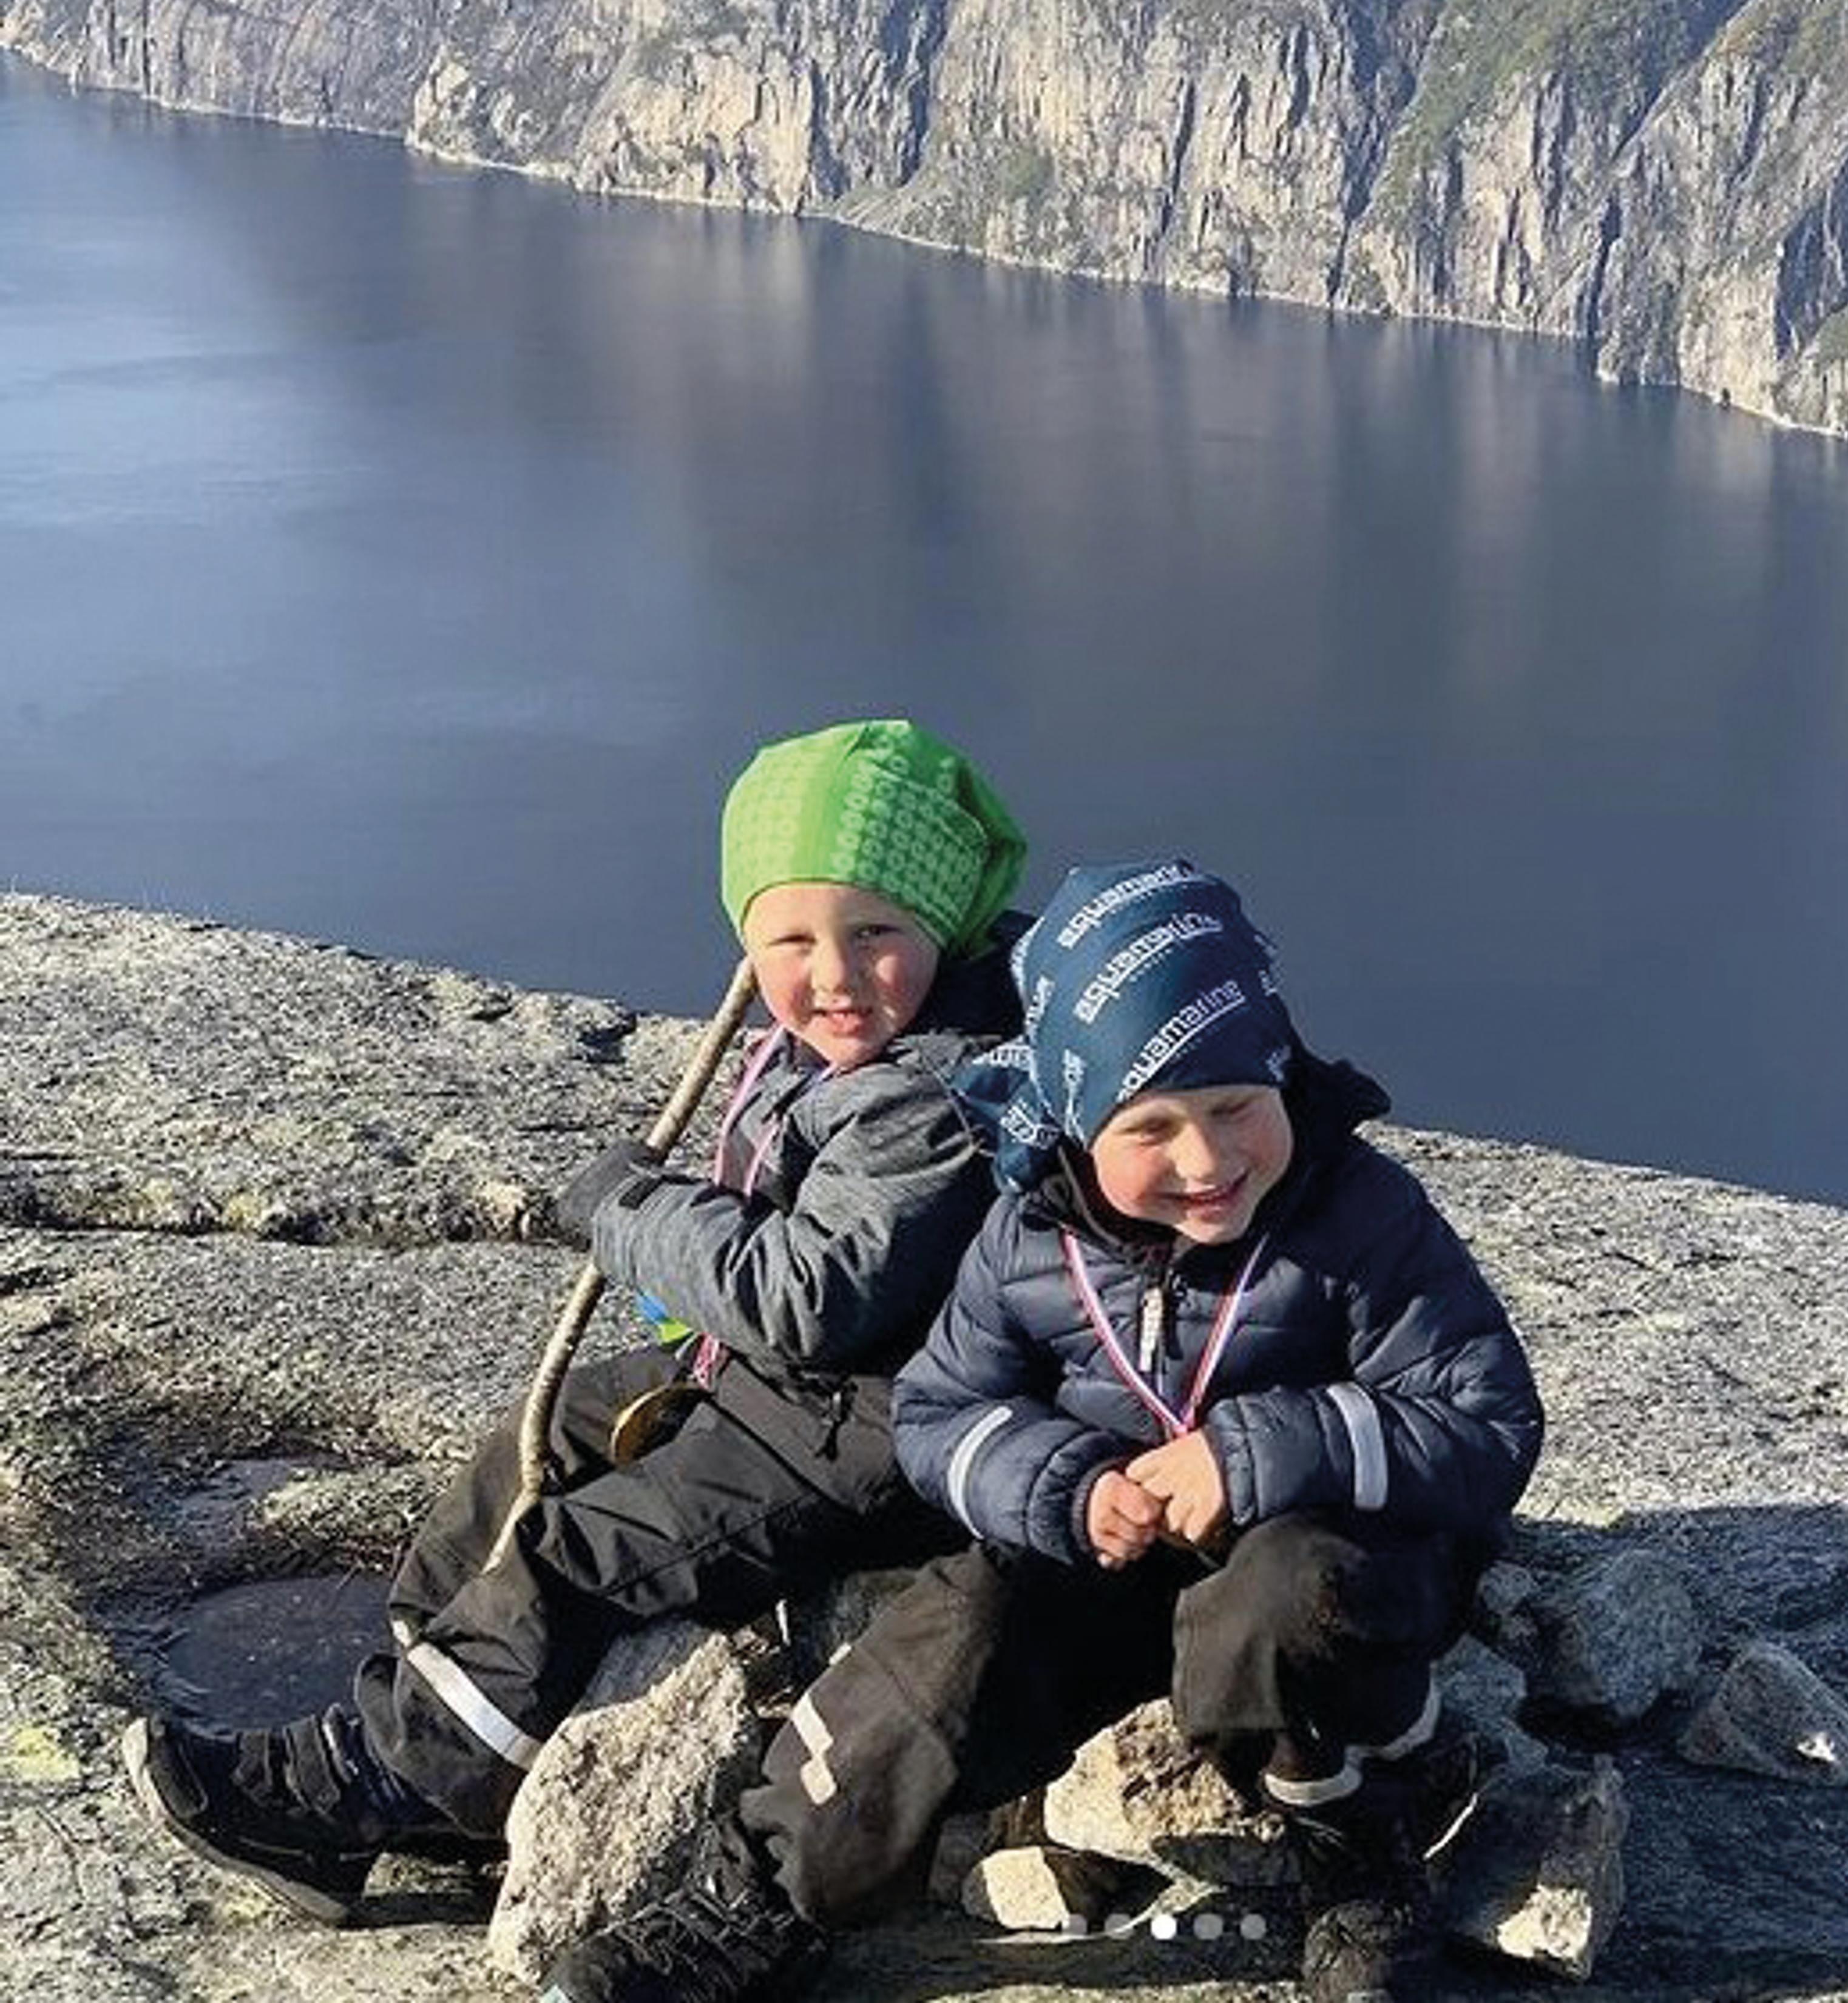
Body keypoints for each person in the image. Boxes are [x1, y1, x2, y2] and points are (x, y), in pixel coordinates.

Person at [543, 856, 1544, 2003]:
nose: (1209, 1160)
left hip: (1328, 1546)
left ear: (1279, 1072)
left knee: (1277, 1607)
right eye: (1152, 1124)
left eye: (1234, 1108)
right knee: (952, 1641)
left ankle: (1365, 1842)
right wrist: (1062, 1488)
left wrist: (1255, 1453)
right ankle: (767, 1895)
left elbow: (1485, 1418)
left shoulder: (1360, 1217)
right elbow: (939, 1410)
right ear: (1074, 1114)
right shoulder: (1028, 1237)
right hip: (1111, 1550)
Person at [123, 715, 1028, 1929]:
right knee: (530, 1450)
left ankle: (369, 1781)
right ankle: (449, 1720)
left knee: (582, 1552)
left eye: (877, 932)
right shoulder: (851, 1044)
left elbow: (810, 1299)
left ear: (945, 920)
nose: (832, 973)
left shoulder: (930, 1096)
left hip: (866, 1423)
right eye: (789, 938)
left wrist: (628, 1210)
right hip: (790, 1382)